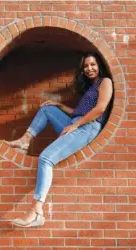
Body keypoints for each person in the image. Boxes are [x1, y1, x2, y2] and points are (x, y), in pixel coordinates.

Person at [6, 52, 113, 227]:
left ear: (99, 65)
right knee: (47, 109)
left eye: (93, 64)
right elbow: (78, 113)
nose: (89, 68)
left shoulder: (105, 82)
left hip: (87, 127)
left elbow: (100, 109)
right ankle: (25, 141)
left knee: (46, 158)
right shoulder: (89, 87)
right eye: (86, 66)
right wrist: (59, 106)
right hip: (76, 122)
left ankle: (36, 212)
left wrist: (75, 126)